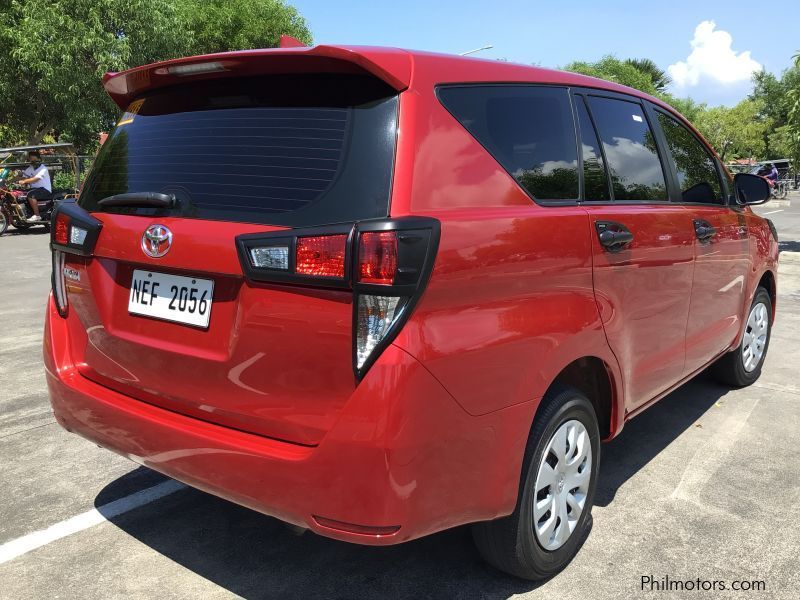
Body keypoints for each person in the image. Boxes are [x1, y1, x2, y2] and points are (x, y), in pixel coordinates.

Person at [16, 150, 52, 222]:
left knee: (31, 195)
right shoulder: (31, 168)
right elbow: (24, 176)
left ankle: (37, 215)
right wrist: (13, 178)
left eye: (34, 159)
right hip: (35, 189)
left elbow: (36, 179)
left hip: (44, 189)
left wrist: (24, 181)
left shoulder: (43, 168)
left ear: (39, 159)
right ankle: (26, 213)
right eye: (31, 159)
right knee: (20, 194)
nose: (33, 161)